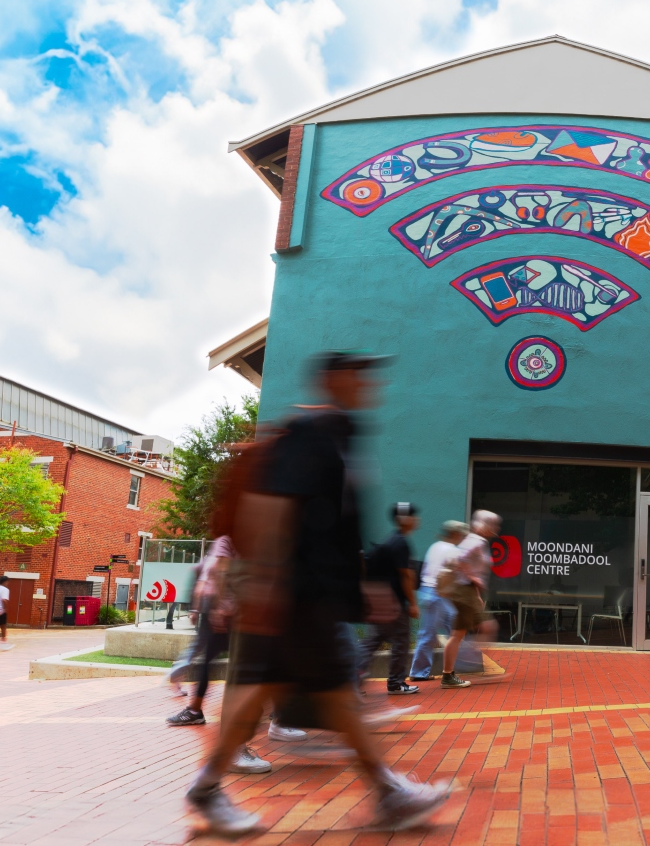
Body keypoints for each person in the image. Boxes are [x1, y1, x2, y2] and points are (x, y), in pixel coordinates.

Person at [184, 351, 449, 836]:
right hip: (293, 596)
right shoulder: (311, 433)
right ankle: (387, 794)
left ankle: (208, 788)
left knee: (305, 694)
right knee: (315, 694)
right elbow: (271, 506)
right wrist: (266, 583)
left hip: (307, 596)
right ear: (335, 379)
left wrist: (362, 585)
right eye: (359, 374)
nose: (369, 383)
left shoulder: (341, 436)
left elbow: (336, 527)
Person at [168, 535, 234, 725]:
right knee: (207, 660)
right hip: (218, 609)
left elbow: (218, 571)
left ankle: (195, 710)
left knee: (209, 659)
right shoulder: (225, 540)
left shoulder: (227, 539)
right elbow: (208, 574)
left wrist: (216, 607)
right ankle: (194, 709)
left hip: (222, 610)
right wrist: (198, 607)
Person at [361, 503, 420, 695]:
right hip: (393, 602)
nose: (416, 519)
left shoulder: (392, 540)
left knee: (374, 640)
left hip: (381, 599)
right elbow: (405, 576)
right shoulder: (400, 542)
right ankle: (395, 683)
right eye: (413, 516)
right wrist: (413, 603)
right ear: (404, 519)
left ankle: (351, 680)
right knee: (401, 639)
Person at [439, 510, 498, 689]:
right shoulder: (477, 541)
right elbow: (459, 559)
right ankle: (466, 662)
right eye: (493, 524)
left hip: (466, 592)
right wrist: (474, 579)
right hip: (464, 592)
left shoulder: (474, 540)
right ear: (485, 525)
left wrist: (476, 592)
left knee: (458, 634)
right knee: (487, 627)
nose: (495, 528)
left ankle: (449, 674)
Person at [409, 521, 467, 682]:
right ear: (455, 534)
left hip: (431, 592)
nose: (462, 537)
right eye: (461, 534)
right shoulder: (452, 550)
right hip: (437, 594)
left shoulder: (436, 546)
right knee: (430, 634)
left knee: (455, 629)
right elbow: (458, 573)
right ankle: (418, 673)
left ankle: (458, 665)